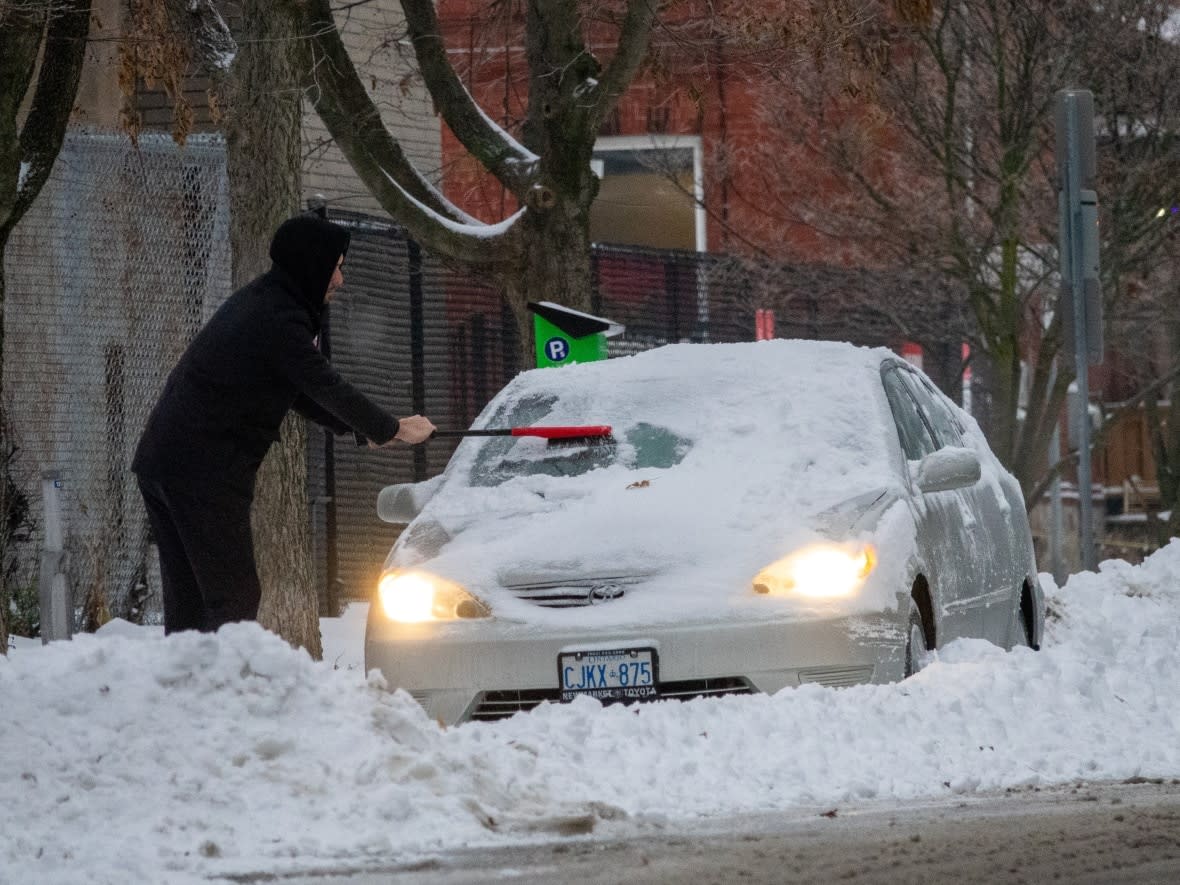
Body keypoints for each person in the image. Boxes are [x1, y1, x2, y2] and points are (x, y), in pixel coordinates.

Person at [132, 212, 435, 634]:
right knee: (233, 596)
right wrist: (393, 428)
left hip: (166, 463)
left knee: (194, 602)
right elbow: (326, 385)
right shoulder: (277, 319)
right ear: (313, 265)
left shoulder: (266, 305)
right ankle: (222, 693)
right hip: (202, 471)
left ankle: (190, 692)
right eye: (337, 268)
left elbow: (297, 389)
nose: (341, 281)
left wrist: (363, 431)